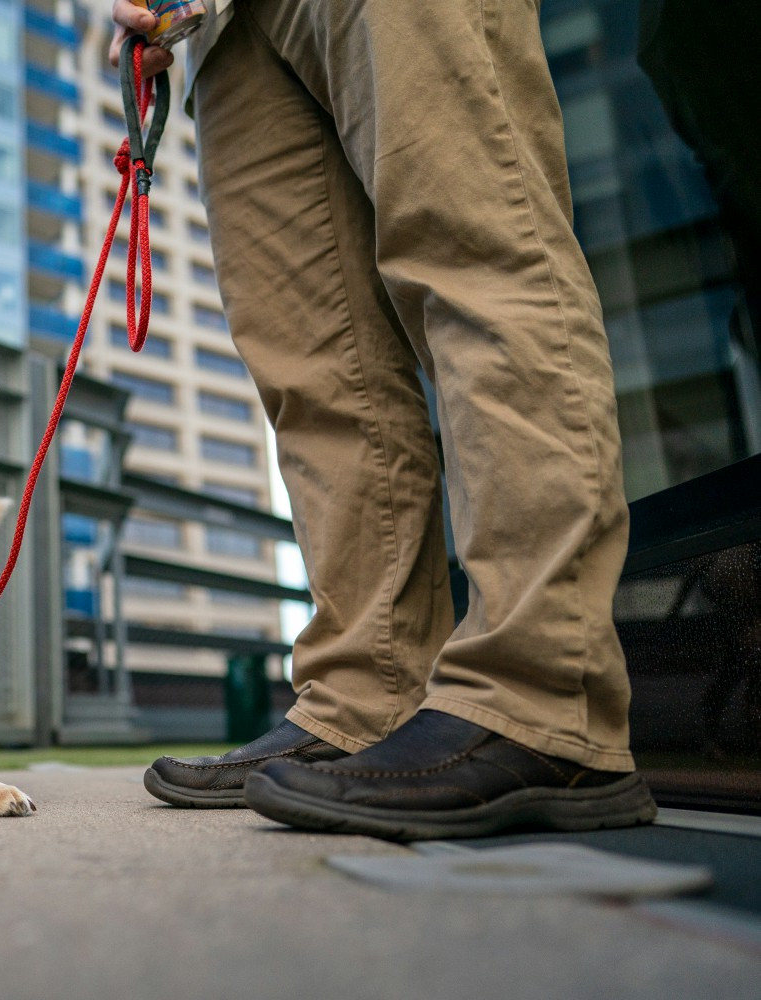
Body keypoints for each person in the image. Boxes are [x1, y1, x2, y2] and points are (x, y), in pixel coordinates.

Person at [114, 0, 658, 839]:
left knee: (475, 260)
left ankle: (545, 696)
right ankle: (368, 698)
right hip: (221, 27)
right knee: (317, 380)